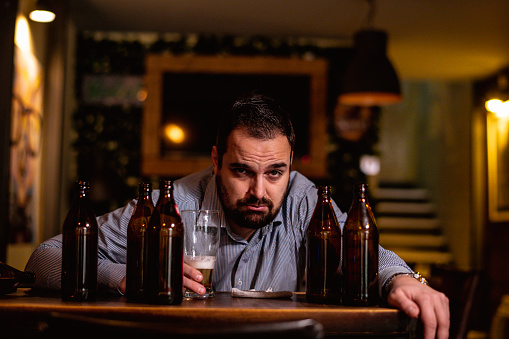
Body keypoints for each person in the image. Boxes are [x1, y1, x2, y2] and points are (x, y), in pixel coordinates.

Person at [26, 92, 449, 339]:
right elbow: (45, 257)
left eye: (275, 173)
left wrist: (402, 279)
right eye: (242, 171)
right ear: (216, 160)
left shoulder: (305, 200)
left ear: (291, 168)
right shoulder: (170, 204)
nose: (258, 193)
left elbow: (366, 251)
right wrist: (125, 275)